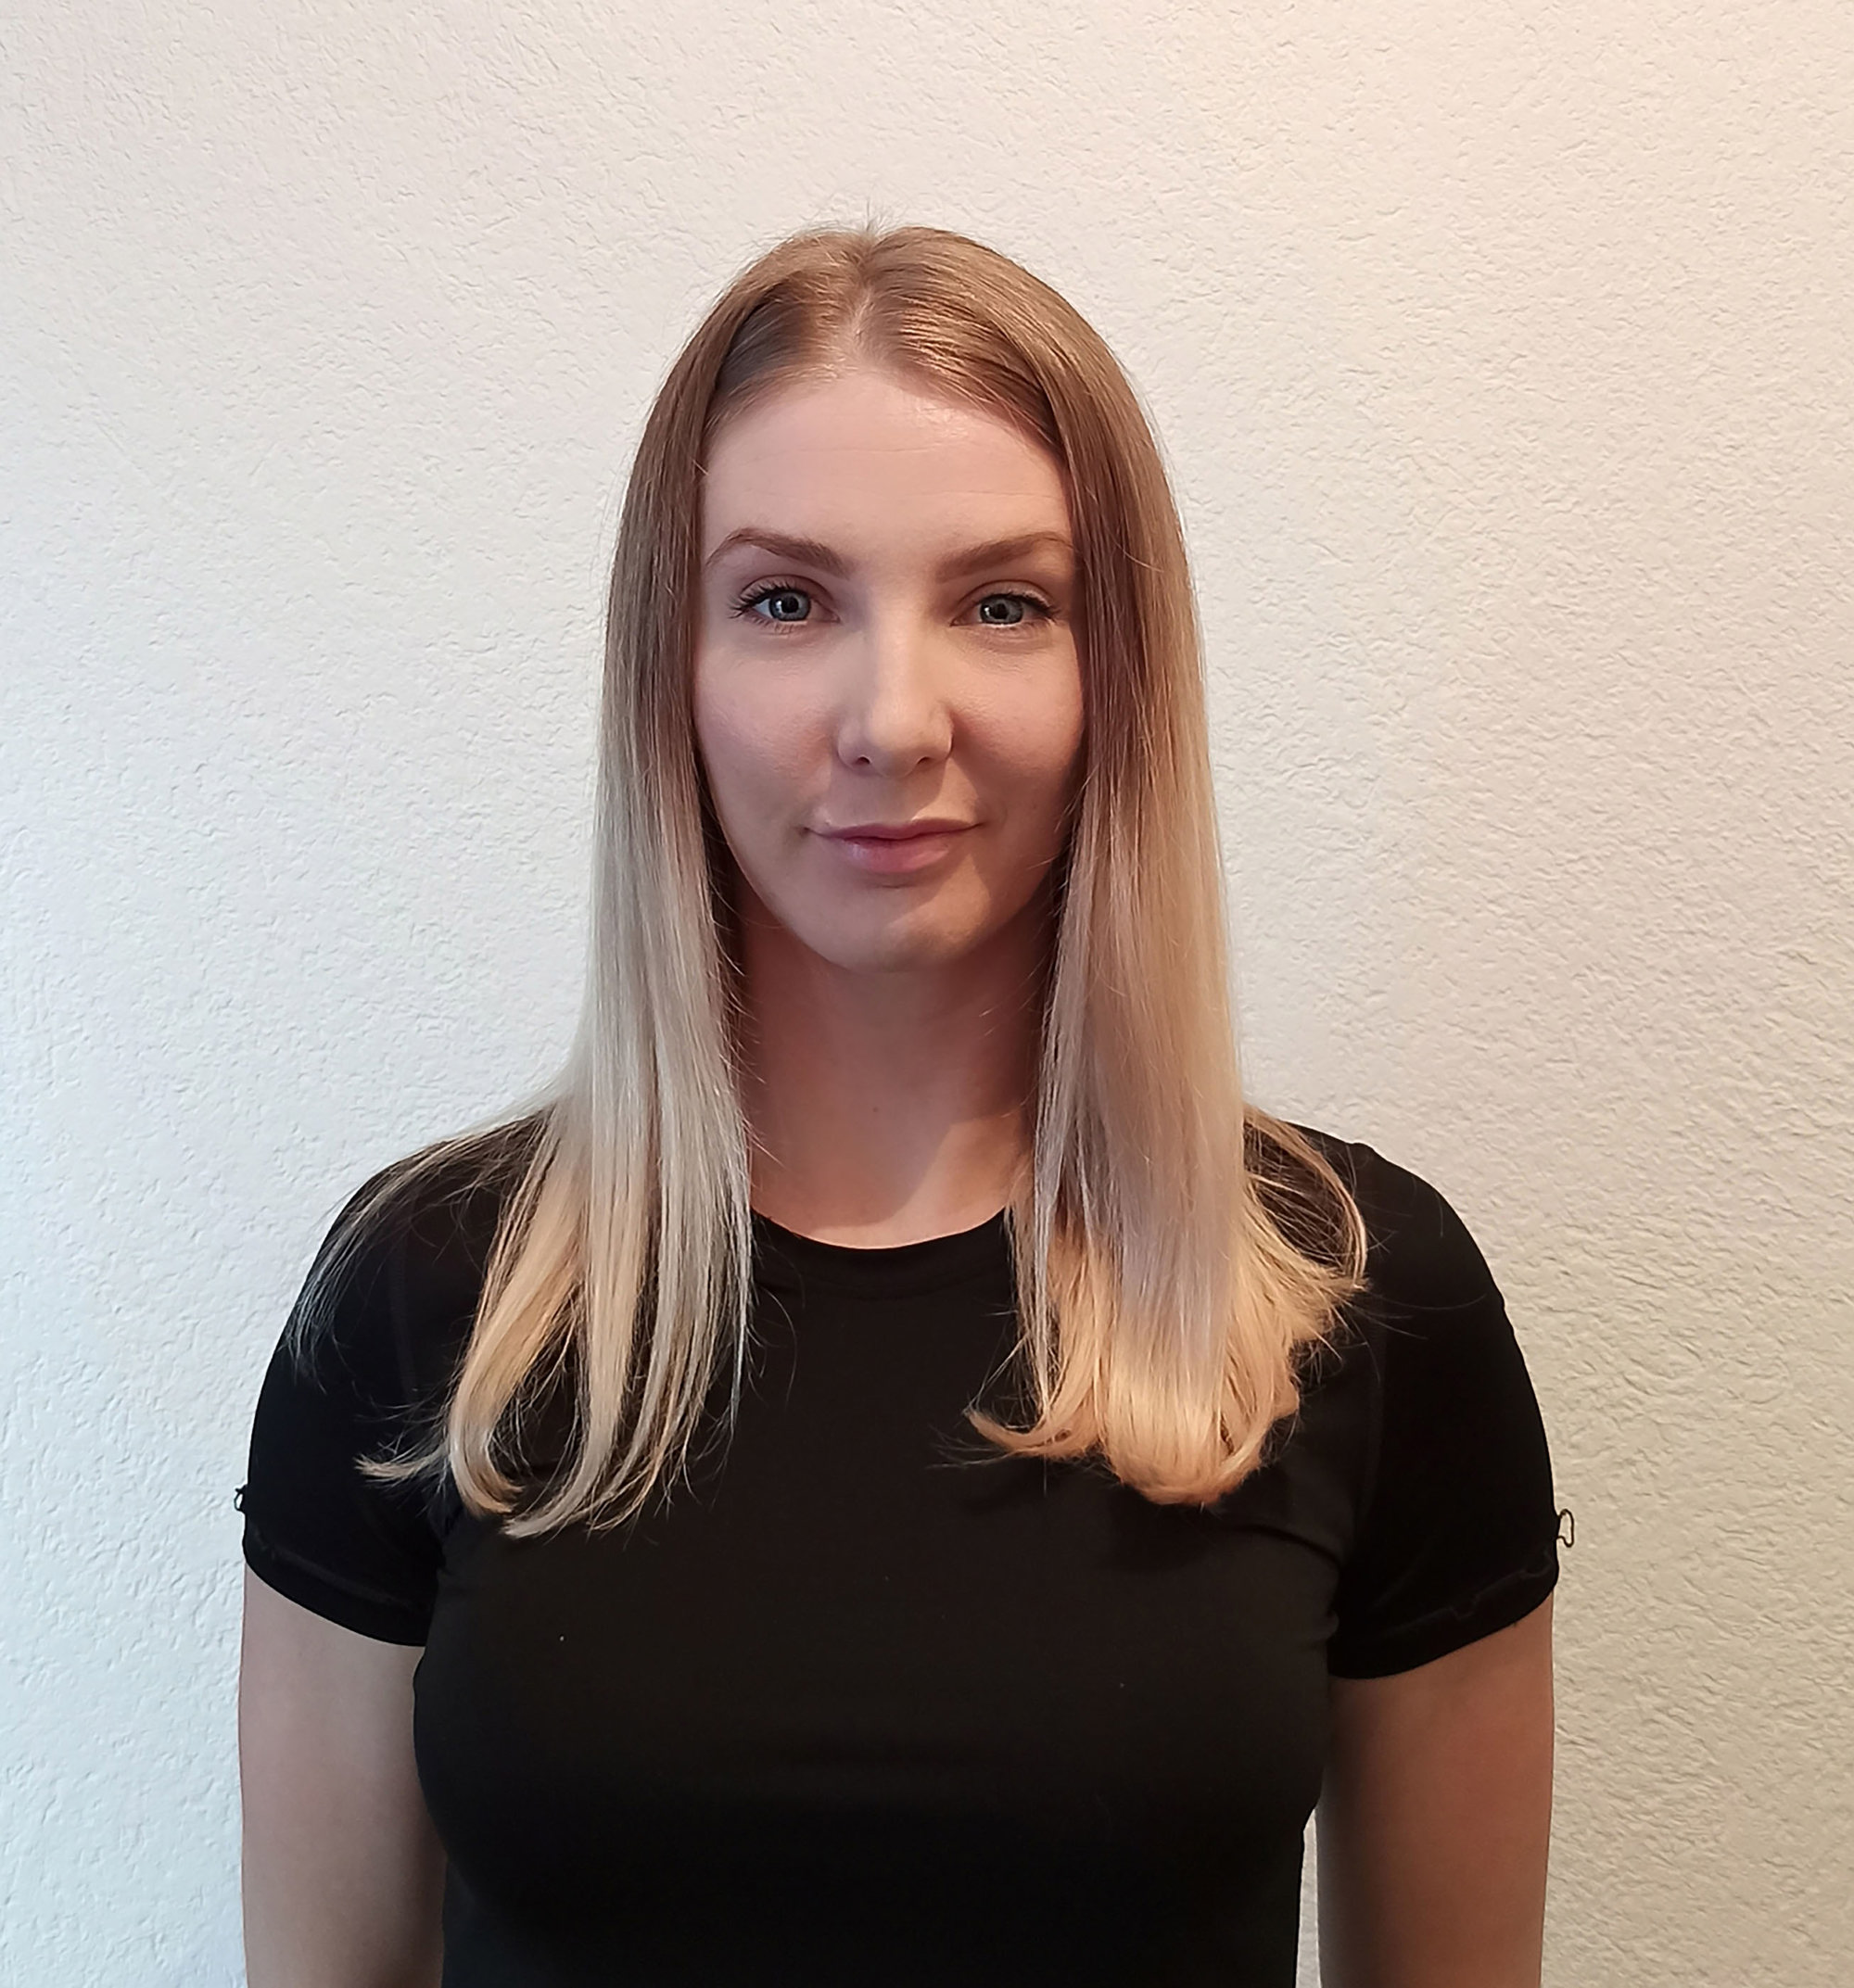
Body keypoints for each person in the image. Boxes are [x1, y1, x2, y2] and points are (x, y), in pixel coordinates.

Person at [237, 224, 1563, 1988]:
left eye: (1003, 603)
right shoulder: (428, 1299)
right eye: (787, 601)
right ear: (668, 665)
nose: (892, 719)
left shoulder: (1355, 1299)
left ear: (1116, 677)